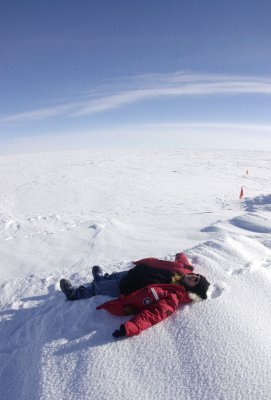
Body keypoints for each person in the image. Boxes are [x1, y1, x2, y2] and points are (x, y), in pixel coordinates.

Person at [60, 252, 210, 338]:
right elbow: (182, 261)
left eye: (195, 281)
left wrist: (131, 327)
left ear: (192, 290)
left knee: (98, 288)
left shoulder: (172, 298)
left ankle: (74, 294)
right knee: (111, 276)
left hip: (125, 287)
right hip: (130, 274)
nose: (193, 277)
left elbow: (153, 315)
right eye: (196, 276)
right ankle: (101, 277)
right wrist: (181, 255)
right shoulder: (183, 271)